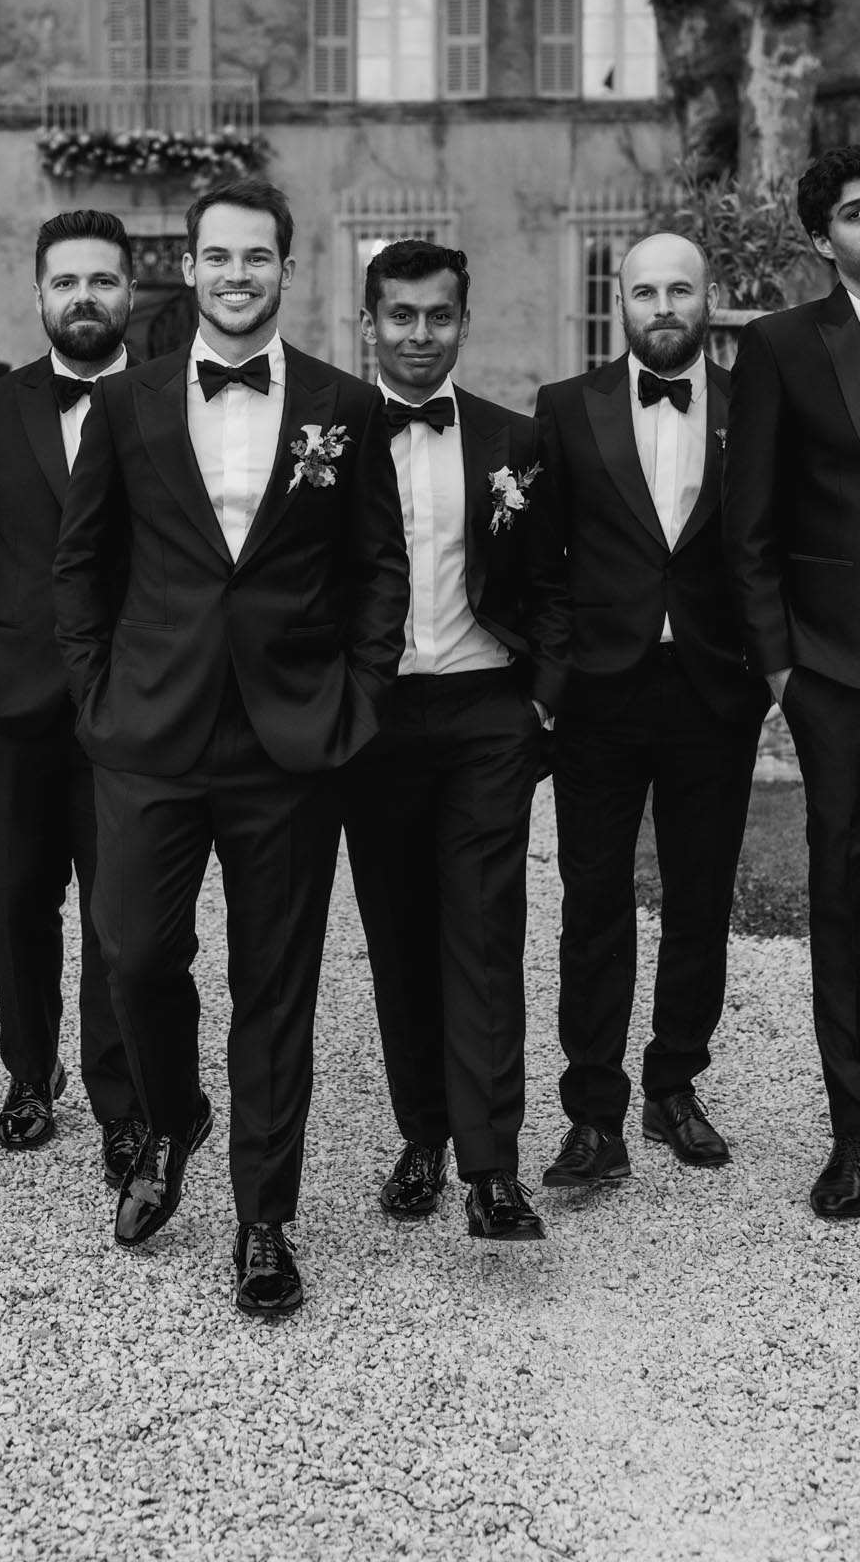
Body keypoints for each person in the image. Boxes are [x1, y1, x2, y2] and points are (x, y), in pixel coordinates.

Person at [53, 174, 408, 1318]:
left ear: (285, 270)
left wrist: (357, 696)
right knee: (135, 951)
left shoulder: (348, 407)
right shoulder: (129, 402)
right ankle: (172, 1114)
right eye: (220, 258)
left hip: (290, 740)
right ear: (190, 268)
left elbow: (378, 569)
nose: (239, 276)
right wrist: (98, 696)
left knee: (277, 984)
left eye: (259, 258)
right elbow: (82, 568)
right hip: (149, 733)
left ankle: (265, 1217)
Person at [342, 240, 569, 1241]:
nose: (421, 335)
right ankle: (423, 1133)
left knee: (484, 932)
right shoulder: (326, 442)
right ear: (369, 322)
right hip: (375, 719)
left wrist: (544, 702)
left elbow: (557, 576)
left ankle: (493, 1166)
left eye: (439, 316)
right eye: (402, 315)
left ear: (463, 323)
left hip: (486, 712)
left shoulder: (514, 440)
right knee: (398, 935)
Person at [535, 233, 767, 1188]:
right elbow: (541, 558)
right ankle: (594, 1110)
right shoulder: (564, 408)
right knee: (592, 904)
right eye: (644, 291)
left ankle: (676, 1081)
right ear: (618, 302)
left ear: (707, 298)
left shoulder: (756, 404)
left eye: (679, 289)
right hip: (600, 691)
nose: (662, 306)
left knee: (699, 896)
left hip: (713, 690)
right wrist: (550, 679)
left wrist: (766, 670)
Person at [0, 210, 146, 1182]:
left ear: (130, 291)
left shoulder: (167, 403)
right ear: (40, 295)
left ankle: (121, 1096)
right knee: (17, 897)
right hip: (9, 702)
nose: (85, 297)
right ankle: (30, 1068)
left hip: (131, 705)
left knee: (119, 910)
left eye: (103, 279)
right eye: (67, 281)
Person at [725, 141, 860, 1219]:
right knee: (841, 903)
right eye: (858, 211)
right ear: (822, 237)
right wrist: (786, 672)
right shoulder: (787, 348)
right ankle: (857, 1140)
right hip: (842, 672)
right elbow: (749, 527)